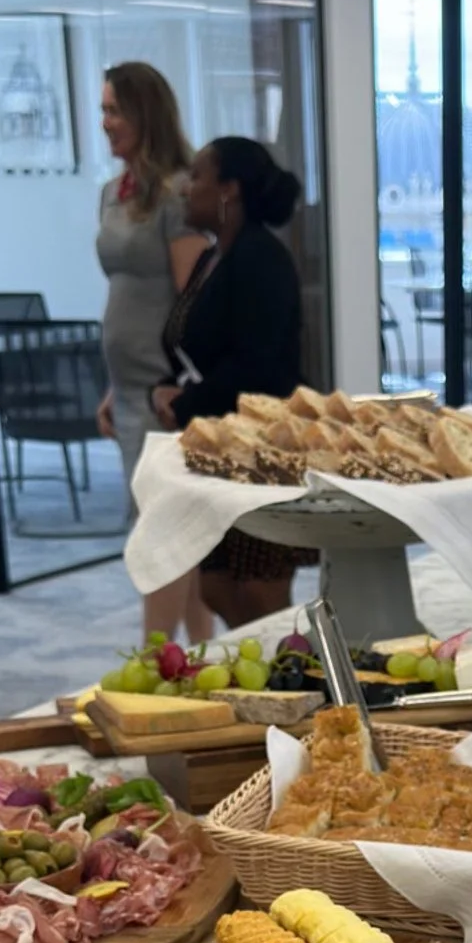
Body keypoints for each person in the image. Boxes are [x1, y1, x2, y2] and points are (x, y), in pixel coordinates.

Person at [148, 136, 308, 626]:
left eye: (197, 176)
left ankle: (299, 689)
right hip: (218, 447)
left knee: (260, 595)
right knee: (218, 588)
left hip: (261, 452)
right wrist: (164, 386)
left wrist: (188, 400)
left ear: (229, 190)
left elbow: (257, 366)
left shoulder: (263, 259)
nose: (184, 188)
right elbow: (190, 346)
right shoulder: (210, 258)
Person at [94, 63, 206, 494]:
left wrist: (183, 384)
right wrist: (112, 387)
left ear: (146, 116)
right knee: (139, 513)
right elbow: (123, 293)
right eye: (103, 110)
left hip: (163, 387)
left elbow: (193, 301)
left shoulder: (177, 194)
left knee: (163, 519)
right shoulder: (110, 194)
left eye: (116, 111)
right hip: (125, 386)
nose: (106, 123)